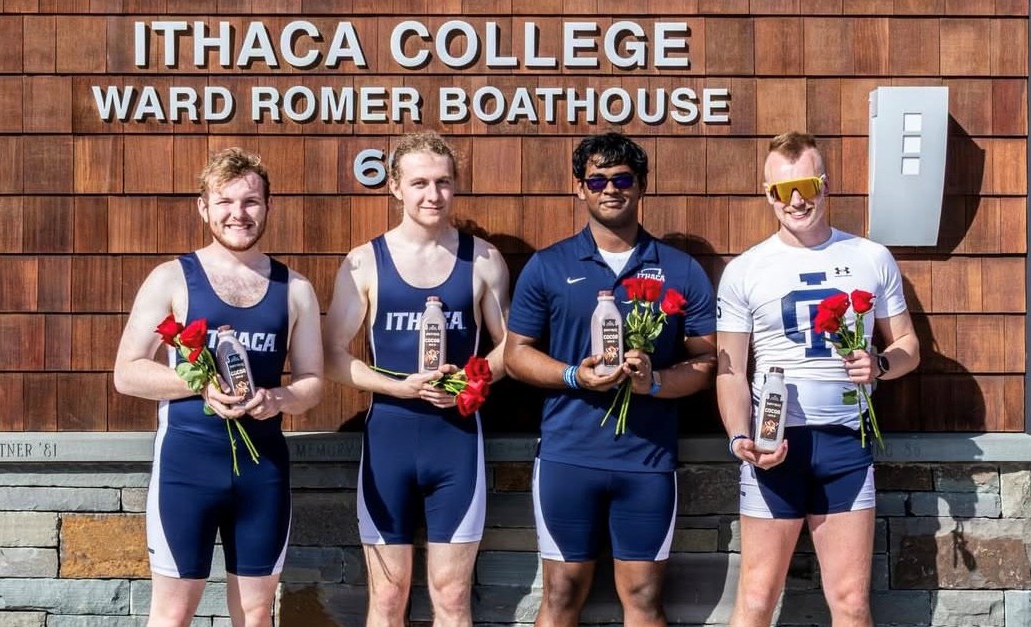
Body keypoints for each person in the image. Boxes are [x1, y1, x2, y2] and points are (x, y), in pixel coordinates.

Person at [504, 132, 717, 627]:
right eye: (597, 179)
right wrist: (574, 375)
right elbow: (516, 356)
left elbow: (707, 366)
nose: (610, 188)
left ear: (641, 186)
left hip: (646, 459)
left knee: (643, 597)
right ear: (580, 188)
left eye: (622, 178)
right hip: (568, 456)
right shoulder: (548, 265)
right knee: (560, 594)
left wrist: (655, 382)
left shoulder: (680, 270)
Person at [715, 131, 921, 627]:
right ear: (767, 194)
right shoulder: (745, 269)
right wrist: (739, 436)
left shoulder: (872, 257)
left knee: (850, 602)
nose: (797, 200)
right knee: (758, 598)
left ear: (826, 185)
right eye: (782, 190)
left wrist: (880, 365)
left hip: (845, 445)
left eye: (807, 185)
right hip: (773, 444)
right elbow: (730, 372)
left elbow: (908, 347)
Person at [113, 148, 324, 627]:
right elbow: (126, 372)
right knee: (172, 613)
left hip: (262, 470)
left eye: (250, 201)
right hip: (187, 468)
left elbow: (312, 382)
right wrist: (200, 386)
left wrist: (279, 398)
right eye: (224, 201)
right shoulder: (171, 278)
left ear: (269, 206)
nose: (238, 213)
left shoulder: (296, 289)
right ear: (203, 207)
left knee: (255, 614)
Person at [323, 131, 511, 626]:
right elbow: (329, 357)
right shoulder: (364, 261)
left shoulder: (484, 260)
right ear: (395, 188)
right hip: (389, 438)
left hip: (456, 444)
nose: (433, 195)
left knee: (451, 597)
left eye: (444, 182)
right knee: (388, 598)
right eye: (420, 183)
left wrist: (471, 381)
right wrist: (398, 386)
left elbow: (512, 347)